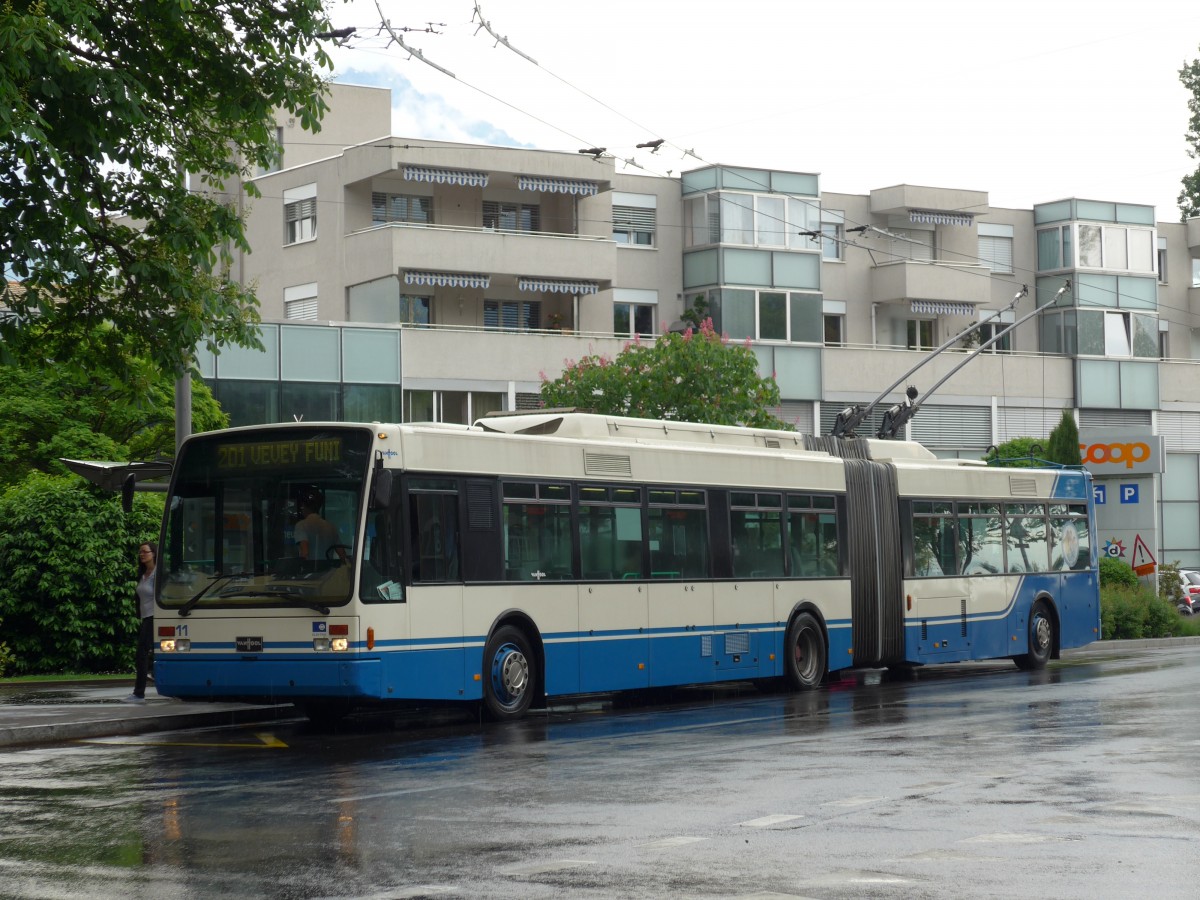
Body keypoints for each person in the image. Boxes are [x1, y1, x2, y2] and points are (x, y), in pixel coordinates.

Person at [123, 541, 157, 703]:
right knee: (147, 652)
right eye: (140, 552)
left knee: (141, 653)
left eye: (145, 551)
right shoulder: (143, 574)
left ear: (154, 554)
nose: (142, 554)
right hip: (146, 617)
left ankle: (139, 693)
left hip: (155, 617)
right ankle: (152, 674)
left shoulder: (158, 574)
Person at [294, 488, 345, 563]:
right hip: (330, 573)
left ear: (304, 507)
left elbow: (305, 552)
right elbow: (342, 554)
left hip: (310, 572)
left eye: (302, 507)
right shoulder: (331, 527)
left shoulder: (301, 525)